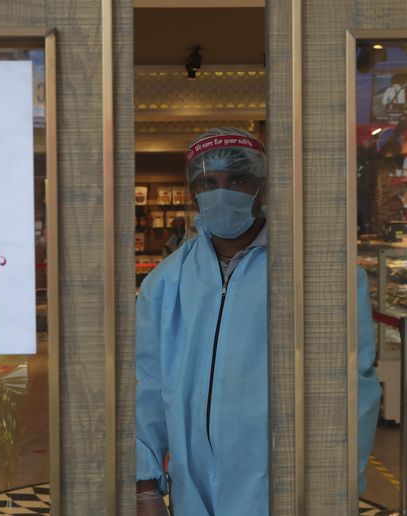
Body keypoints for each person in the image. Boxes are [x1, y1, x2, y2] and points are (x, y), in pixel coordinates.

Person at [135, 127, 381, 516]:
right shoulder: (166, 283)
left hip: (289, 491)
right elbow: (147, 386)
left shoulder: (317, 275)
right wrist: (146, 487)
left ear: (261, 187)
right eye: (207, 182)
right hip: (194, 492)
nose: (220, 192)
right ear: (192, 193)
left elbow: (350, 389)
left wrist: (337, 484)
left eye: (236, 179)